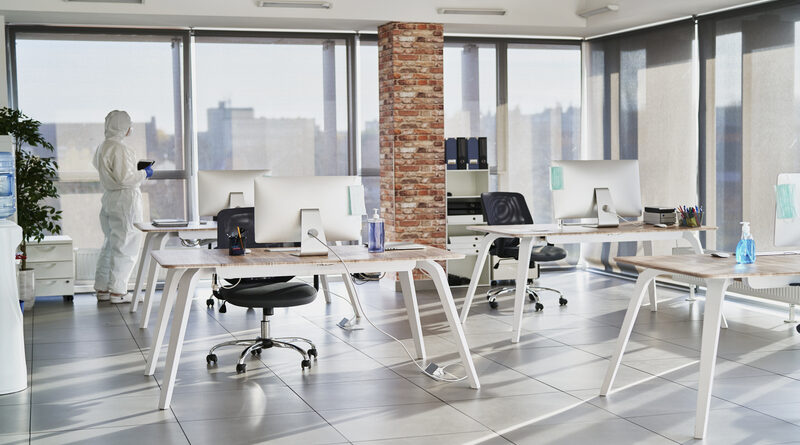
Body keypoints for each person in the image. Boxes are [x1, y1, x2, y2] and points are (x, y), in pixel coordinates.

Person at [93, 110, 153, 303]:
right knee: (126, 244)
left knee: (111, 243)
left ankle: (102, 288)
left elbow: (113, 174)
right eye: (129, 125)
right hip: (125, 200)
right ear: (124, 127)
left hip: (110, 198)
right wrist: (145, 173)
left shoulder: (103, 146)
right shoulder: (120, 149)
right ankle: (118, 292)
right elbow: (125, 178)